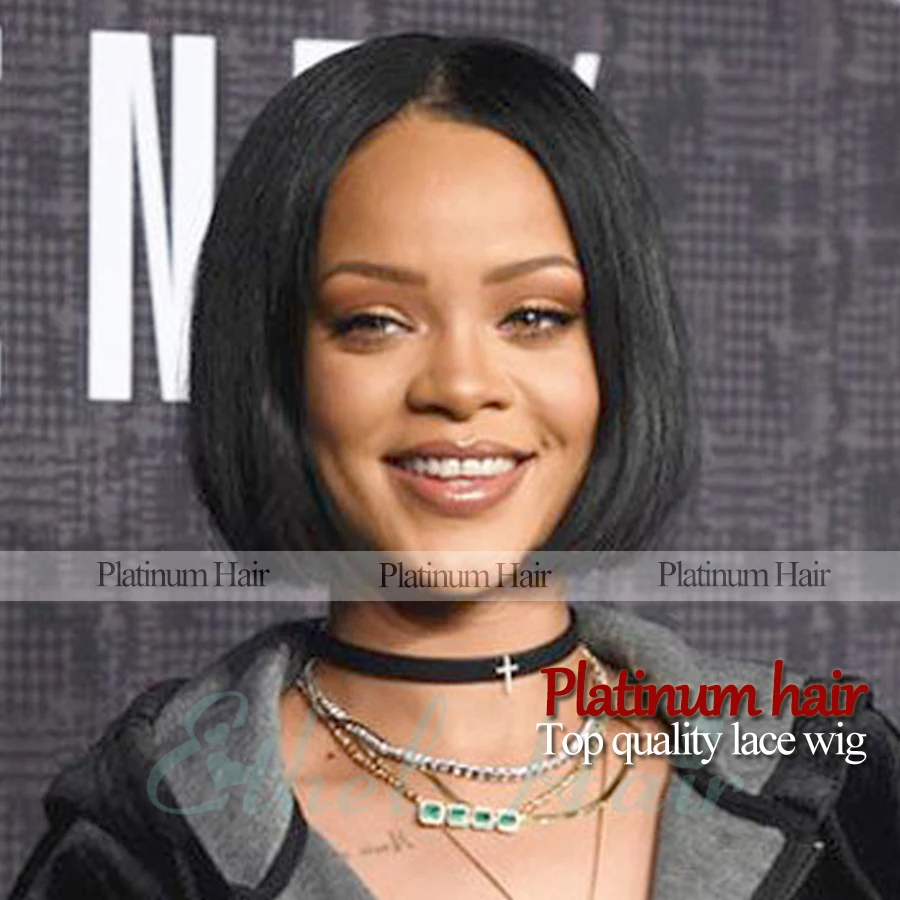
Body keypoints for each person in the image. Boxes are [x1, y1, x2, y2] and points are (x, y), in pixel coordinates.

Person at [8, 33, 900, 900]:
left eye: (535, 316)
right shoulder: (146, 846)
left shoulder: (836, 776)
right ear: (276, 368)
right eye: (374, 322)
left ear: (616, 354)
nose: (461, 386)